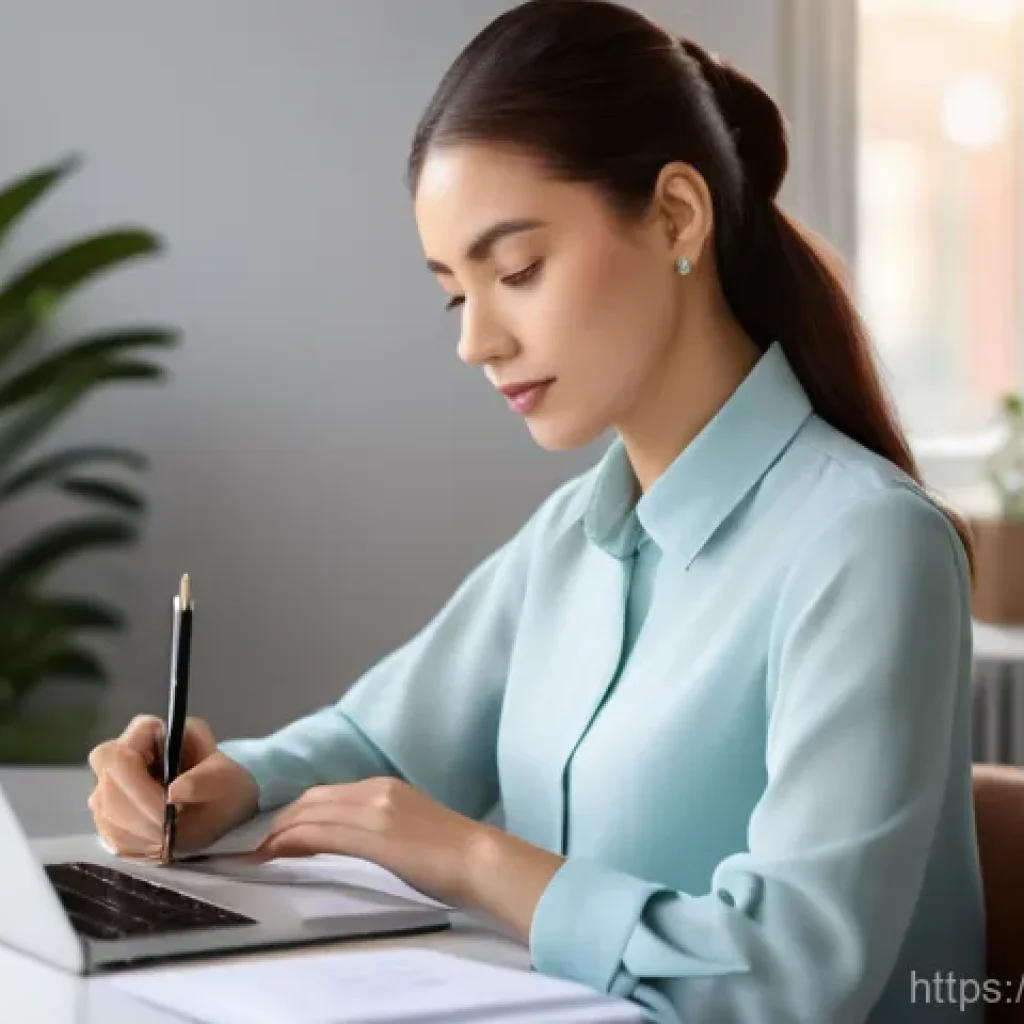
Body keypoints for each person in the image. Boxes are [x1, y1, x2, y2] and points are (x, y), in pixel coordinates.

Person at [86, 1, 986, 1020]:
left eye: (516, 270)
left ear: (677, 217)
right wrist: (224, 784)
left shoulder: (868, 547)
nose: (476, 341)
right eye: (455, 293)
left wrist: (474, 859)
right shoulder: (570, 541)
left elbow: (789, 975)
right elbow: (383, 742)